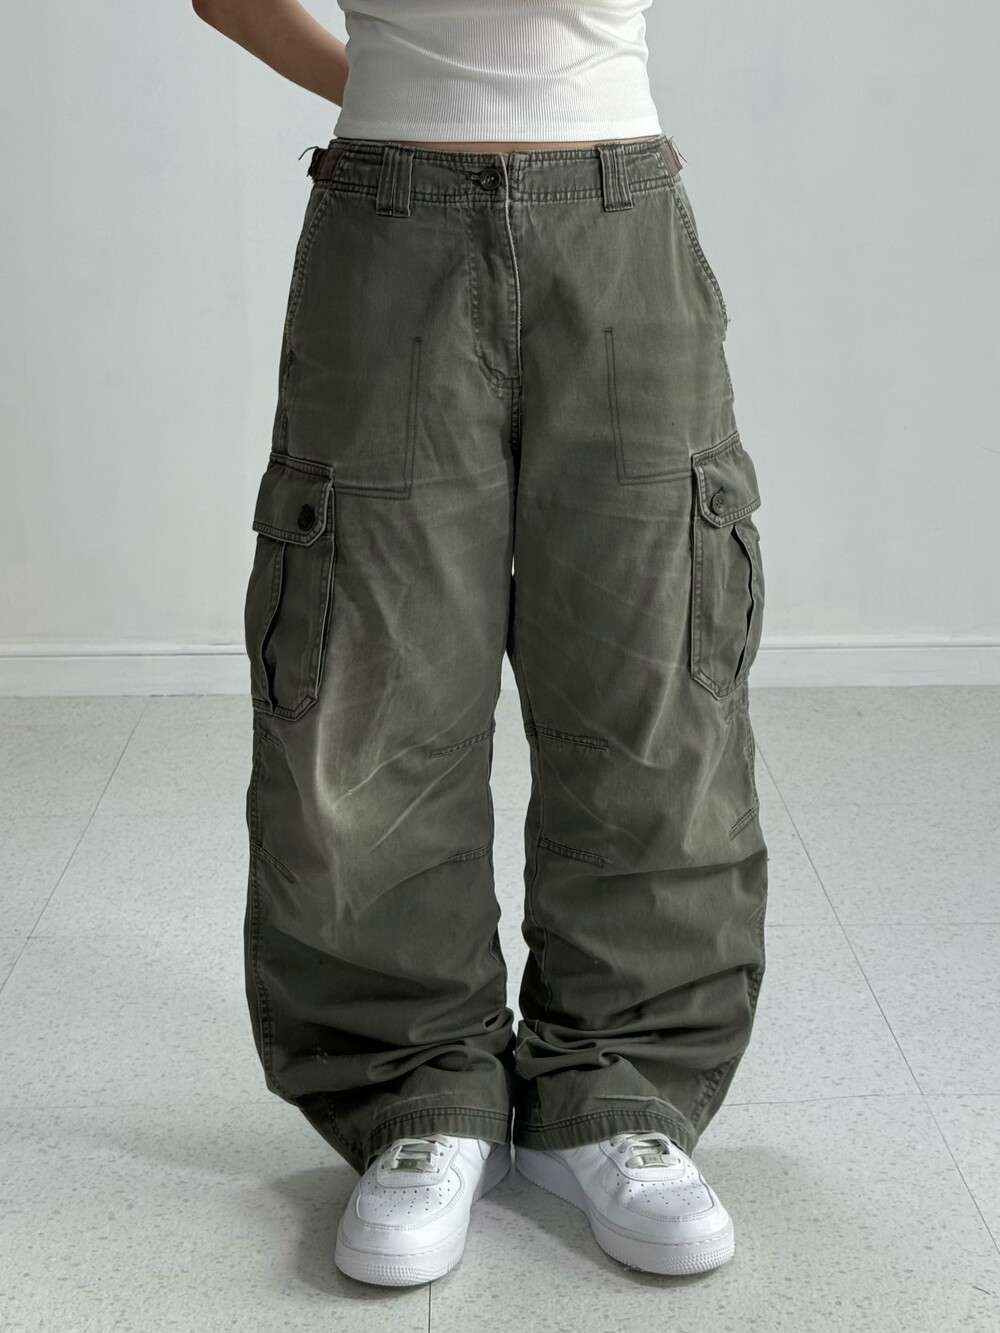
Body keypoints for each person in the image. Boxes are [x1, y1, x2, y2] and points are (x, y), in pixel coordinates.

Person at [194, 0, 768, 1288]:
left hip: (619, 219)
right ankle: (418, 1089)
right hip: (387, 217)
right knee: (367, 682)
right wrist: (399, 90)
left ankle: (615, 1090)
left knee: (652, 675)